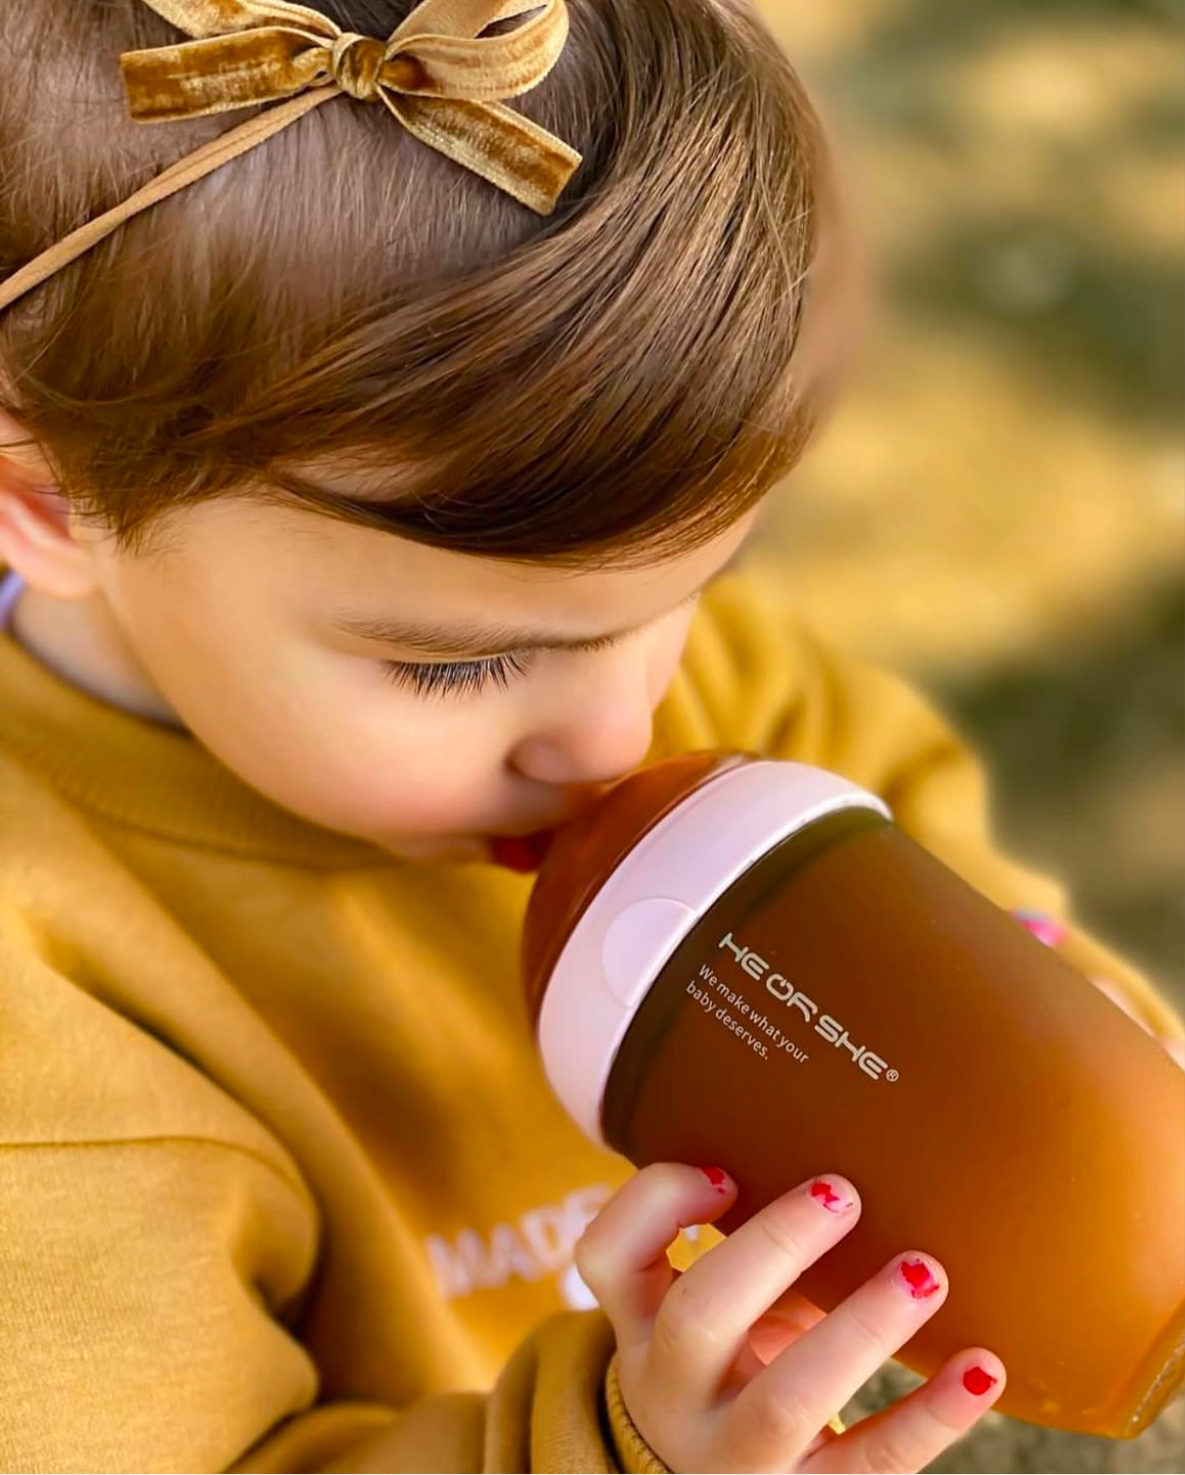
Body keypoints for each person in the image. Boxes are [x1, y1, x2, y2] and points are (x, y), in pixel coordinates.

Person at [0, 2, 1179, 1471]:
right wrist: (610, 1445)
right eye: (464, 663)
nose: (622, 731)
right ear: (54, 503)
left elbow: (981, 918)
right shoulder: (45, 1014)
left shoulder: (720, 702)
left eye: (690, 593)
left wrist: (1074, 1049)